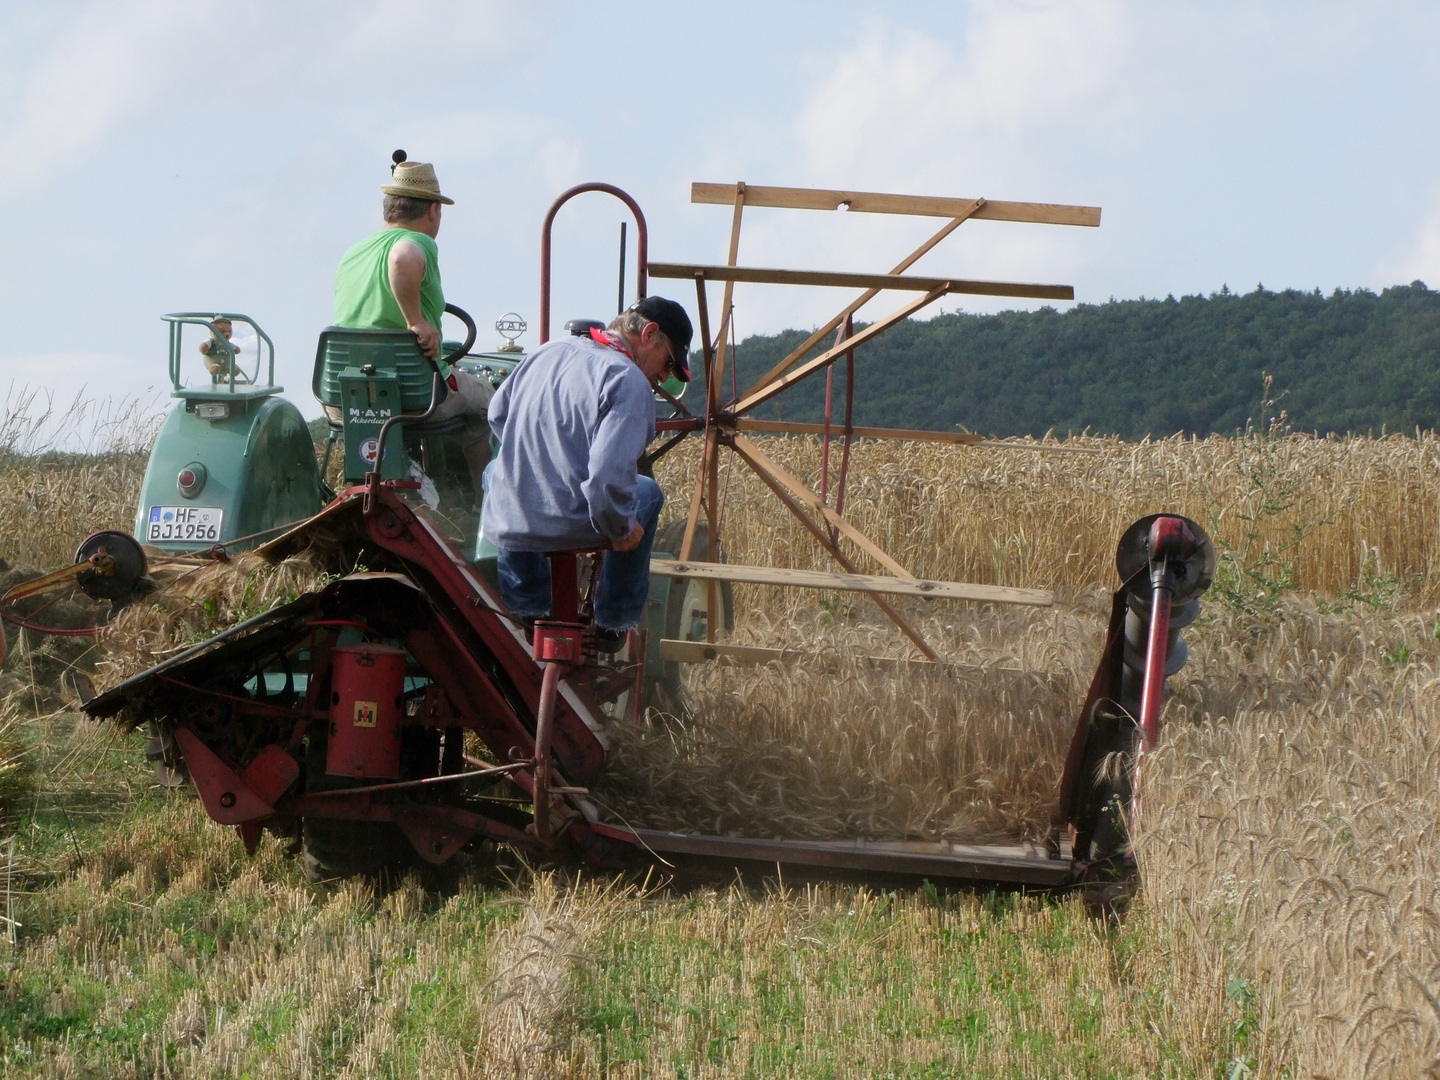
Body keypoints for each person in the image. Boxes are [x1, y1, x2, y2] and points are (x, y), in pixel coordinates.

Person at [481, 297, 692, 650]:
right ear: (649, 333)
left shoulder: (546, 351)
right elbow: (607, 480)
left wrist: (535, 464)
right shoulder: (628, 380)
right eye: (669, 363)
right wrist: (621, 527)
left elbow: (498, 416)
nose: (663, 377)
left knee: (495, 473)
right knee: (647, 494)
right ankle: (613, 622)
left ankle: (528, 605)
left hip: (508, 516)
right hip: (570, 521)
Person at [332, 153, 493, 503]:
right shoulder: (418, 243)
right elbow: (402, 258)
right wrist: (417, 320)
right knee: (492, 406)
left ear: (387, 209)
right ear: (433, 210)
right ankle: (486, 509)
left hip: (346, 395)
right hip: (415, 394)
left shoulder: (353, 252)